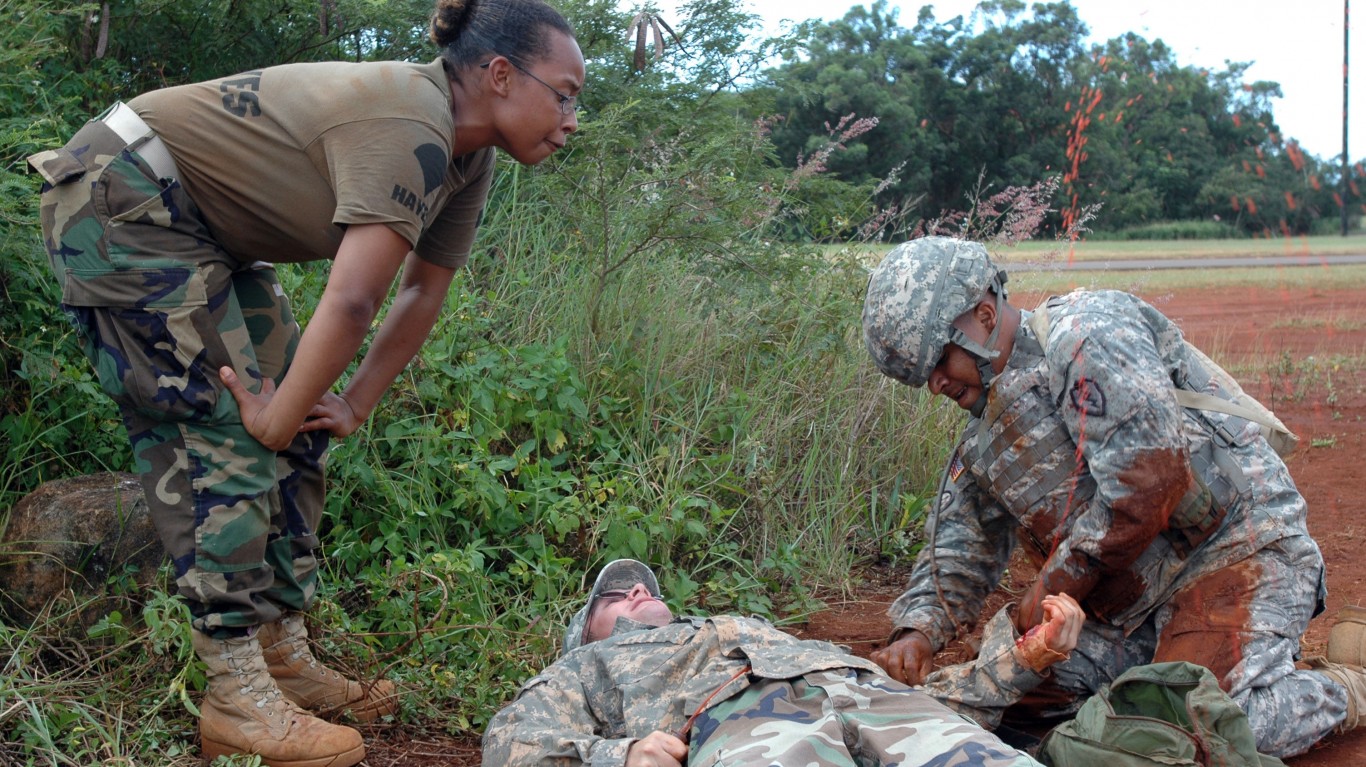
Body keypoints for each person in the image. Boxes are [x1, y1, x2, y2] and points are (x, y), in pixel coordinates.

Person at [26, 0, 583, 763]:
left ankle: (281, 646)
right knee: (222, 421)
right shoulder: (413, 125)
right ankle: (234, 693)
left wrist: (346, 403)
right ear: (498, 75)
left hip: (200, 225)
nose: (571, 117)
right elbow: (353, 300)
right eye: (565, 92)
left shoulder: (467, 156)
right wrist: (267, 418)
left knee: (304, 407)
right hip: (120, 196)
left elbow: (423, 289)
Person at [860, 236, 1366, 758]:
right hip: (1126, 611)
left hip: (1236, 557)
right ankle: (1174, 671)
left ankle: (1350, 687)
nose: (936, 385)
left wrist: (1055, 584)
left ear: (984, 314)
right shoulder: (985, 438)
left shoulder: (1087, 334)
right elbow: (959, 549)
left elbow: (1149, 481)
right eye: (922, 378)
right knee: (1010, 713)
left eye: (939, 362)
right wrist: (916, 632)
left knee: (1191, 729)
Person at [482, 558, 1086, 766]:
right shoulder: (587, 670)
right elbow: (508, 744)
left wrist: (1022, 658)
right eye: (614, 598)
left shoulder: (753, 630)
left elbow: (917, 704)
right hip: (737, 726)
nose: (636, 592)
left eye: (642, 587)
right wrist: (621, 754)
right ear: (586, 638)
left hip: (867, 696)